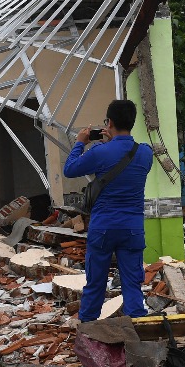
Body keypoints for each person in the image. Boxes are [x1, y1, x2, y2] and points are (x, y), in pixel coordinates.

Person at [63, 99, 154, 322]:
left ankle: (89, 335)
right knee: (132, 284)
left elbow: (69, 169)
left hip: (103, 227)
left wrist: (80, 142)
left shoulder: (99, 152)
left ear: (109, 122)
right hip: (132, 229)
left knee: (95, 284)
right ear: (132, 122)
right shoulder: (145, 153)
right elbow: (124, 160)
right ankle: (137, 336)